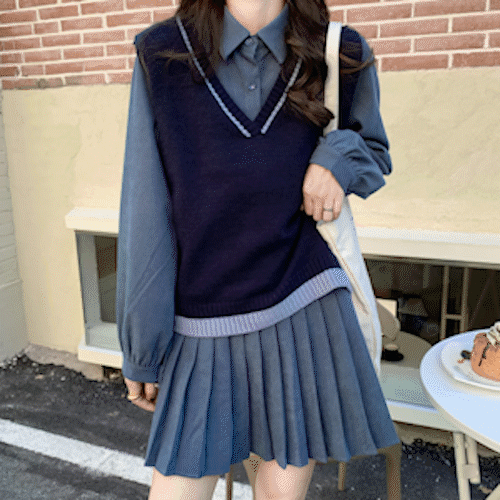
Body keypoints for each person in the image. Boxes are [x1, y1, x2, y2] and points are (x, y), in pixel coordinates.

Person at [117, 0, 400, 498]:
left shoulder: (338, 50)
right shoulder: (161, 53)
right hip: (201, 321)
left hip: (303, 306)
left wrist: (335, 160)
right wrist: (143, 344)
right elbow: (146, 206)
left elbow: (372, 147)